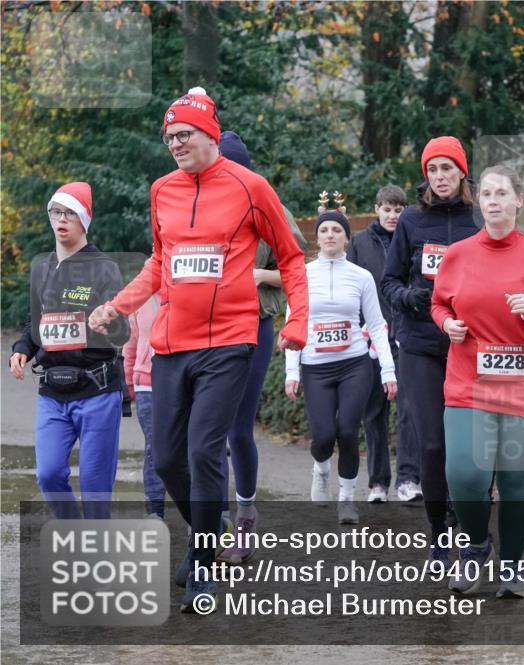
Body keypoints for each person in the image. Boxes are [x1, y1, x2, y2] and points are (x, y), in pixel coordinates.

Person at [88, 87, 309, 614]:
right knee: (167, 458)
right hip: (171, 343)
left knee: (205, 449)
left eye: (184, 134)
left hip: (230, 340)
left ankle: (203, 560)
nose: (175, 144)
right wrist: (118, 307)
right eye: (169, 137)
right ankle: (209, 532)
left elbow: (292, 258)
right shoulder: (162, 189)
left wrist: (297, 320)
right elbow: (159, 262)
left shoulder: (251, 187)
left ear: (210, 133)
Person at [431, 165, 524, 599]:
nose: (492, 200)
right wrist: (447, 324)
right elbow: (438, 304)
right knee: (465, 477)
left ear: (518, 201)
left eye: (501, 193)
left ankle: (510, 566)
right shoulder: (458, 255)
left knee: (515, 486)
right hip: (469, 384)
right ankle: (476, 546)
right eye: (486, 193)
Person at [381, 136, 480, 568]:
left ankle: (471, 523)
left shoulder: (479, 220)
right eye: (432, 170)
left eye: (447, 168)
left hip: (471, 344)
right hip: (421, 346)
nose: (440, 177)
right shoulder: (411, 222)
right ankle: (440, 533)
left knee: (470, 446)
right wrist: (410, 298)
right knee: (434, 446)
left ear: (462, 171)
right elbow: (388, 282)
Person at [9, 182, 131, 520]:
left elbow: (124, 332)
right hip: (52, 391)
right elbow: (34, 323)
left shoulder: (104, 268)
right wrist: (22, 349)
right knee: (48, 475)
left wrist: (110, 324)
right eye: (56, 212)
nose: (61, 220)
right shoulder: (41, 269)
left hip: (96, 392)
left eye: (69, 214)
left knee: (94, 486)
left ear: (84, 220)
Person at [215, 130, 308, 565]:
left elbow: (294, 266)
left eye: (234, 168)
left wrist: (257, 278)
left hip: (251, 327)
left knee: (237, 429)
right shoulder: (198, 205)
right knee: (203, 432)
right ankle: (212, 519)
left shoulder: (268, 204)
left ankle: (246, 518)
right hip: (203, 331)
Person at [285, 210, 397, 524]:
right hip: (316, 366)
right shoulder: (303, 275)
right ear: (317, 237)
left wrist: (387, 371)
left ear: (347, 237)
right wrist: (292, 372)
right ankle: (320, 468)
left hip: (354, 364)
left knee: (348, 431)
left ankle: (346, 499)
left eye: (337, 230)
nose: (330, 235)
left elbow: (376, 326)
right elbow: (295, 324)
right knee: (323, 436)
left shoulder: (361, 276)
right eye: (325, 230)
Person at [347, 185, 421, 504]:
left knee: (408, 409)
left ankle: (408, 479)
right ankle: (378, 482)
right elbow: (350, 286)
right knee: (374, 411)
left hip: (407, 333)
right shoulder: (360, 243)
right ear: (376, 208)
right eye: (387, 209)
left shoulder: (413, 239)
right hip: (370, 338)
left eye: (399, 209)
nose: (393, 215)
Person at [122, 295, 164, 519]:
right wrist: (128, 385)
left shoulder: (188, 289)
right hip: (146, 383)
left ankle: (194, 513)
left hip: (181, 384)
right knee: (154, 446)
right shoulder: (142, 297)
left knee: (185, 449)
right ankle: (155, 511)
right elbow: (130, 344)